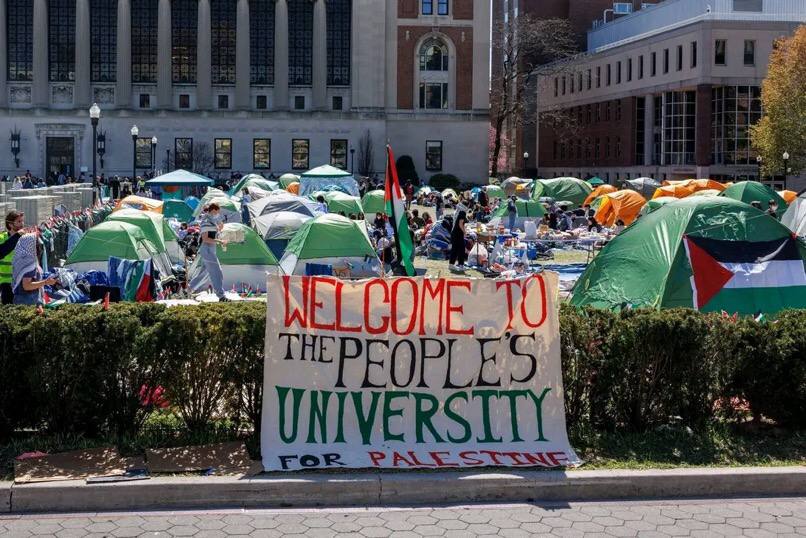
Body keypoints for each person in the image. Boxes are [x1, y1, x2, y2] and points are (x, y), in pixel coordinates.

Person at [189, 204, 229, 302]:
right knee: (217, 272)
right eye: (217, 212)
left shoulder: (211, 221)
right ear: (213, 211)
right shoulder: (206, 221)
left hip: (210, 249)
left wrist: (220, 227)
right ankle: (221, 296)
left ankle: (188, 290)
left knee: (203, 273)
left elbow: (214, 233)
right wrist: (220, 241)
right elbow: (206, 238)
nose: (218, 214)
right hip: (207, 249)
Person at [12, 234, 56, 305]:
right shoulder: (29, 262)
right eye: (36, 245)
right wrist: (45, 282)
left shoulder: (19, 258)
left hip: (19, 298)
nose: (38, 247)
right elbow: (27, 286)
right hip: (27, 301)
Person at [0, 210, 25, 304]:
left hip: (22, 282)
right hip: (6, 283)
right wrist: (17, 236)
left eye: (22, 221)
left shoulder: (25, 238)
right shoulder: (2, 238)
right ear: (10, 224)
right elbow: (2, 251)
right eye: (19, 221)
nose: (22, 224)